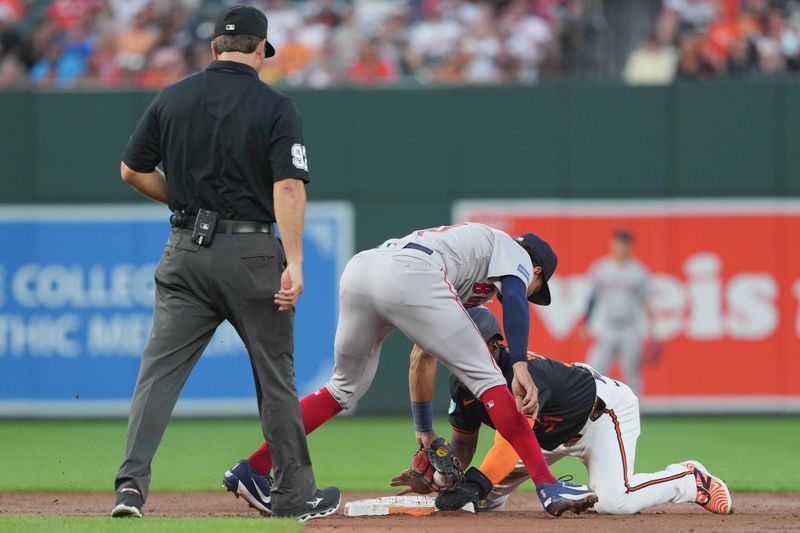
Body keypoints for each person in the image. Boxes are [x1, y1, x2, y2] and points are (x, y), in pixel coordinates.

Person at [110, 5, 339, 521]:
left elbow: (131, 170)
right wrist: (296, 261)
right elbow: (286, 186)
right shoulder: (277, 106)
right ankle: (293, 496)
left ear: (214, 49)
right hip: (252, 252)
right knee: (275, 377)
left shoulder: (173, 97)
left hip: (185, 253)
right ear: (261, 50)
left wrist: (185, 204)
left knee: (158, 375)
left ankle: (129, 489)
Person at [222, 222, 598, 518]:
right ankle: (549, 487)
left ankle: (253, 469)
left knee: (341, 389)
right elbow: (516, 298)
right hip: (409, 273)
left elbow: (423, 352)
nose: (532, 291)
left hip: (364, 268)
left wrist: (424, 430)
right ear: (534, 268)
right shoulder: (511, 250)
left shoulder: (470, 268)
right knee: (491, 381)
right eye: (537, 285)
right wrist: (519, 365)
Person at [419, 307, 733, 516]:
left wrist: (475, 482)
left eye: (477, 344)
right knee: (481, 501)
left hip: (599, 417)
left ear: (497, 346)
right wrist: (446, 475)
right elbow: (462, 443)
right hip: (543, 435)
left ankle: (688, 480)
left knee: (615, 502)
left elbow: (513, 437)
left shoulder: (524, 375)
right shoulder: (462, 385)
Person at [582, 228, 655, 395]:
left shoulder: (638, 271)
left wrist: (653, 331)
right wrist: (586, 322)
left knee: (631, 374)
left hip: (630, 329)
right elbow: (592, 298)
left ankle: (635, 416)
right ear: (612, 244)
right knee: (592, 371)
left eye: (625, 244)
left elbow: (646, 302)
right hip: (607, 328)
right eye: (618, 243)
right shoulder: (601, 268)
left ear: (631, 247)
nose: (621, 247)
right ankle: (591, 413)